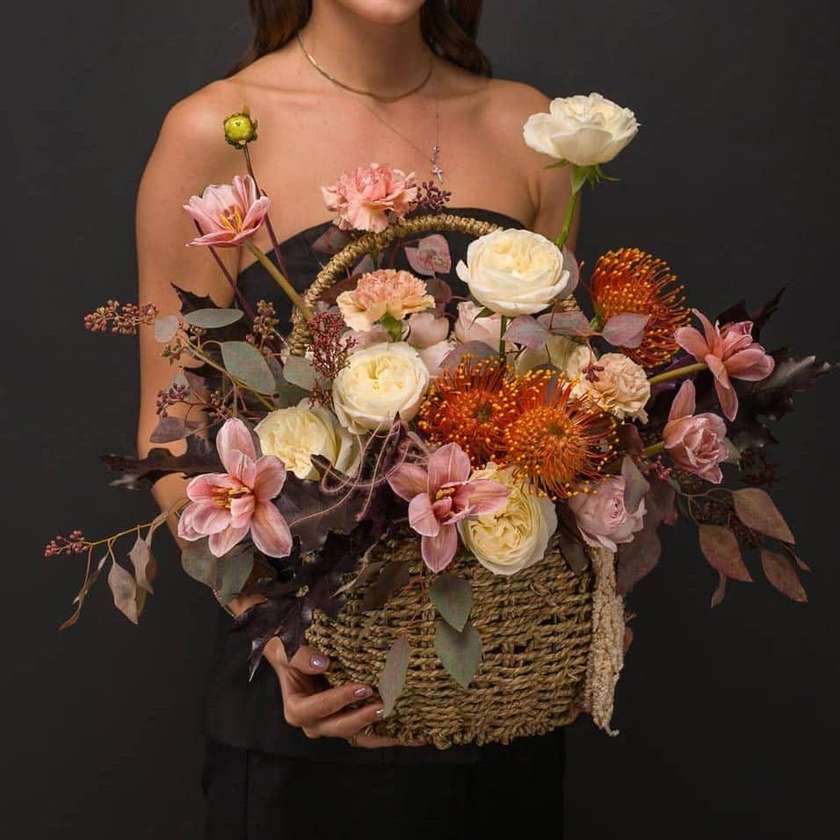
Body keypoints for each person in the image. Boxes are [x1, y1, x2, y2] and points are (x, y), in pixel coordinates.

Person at [136, 1, 579, 837]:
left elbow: (564, 398)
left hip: (500, 703)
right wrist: (272, 630)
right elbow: (169, 442)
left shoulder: (532, 128)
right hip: (304, 723)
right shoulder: (214, 131)